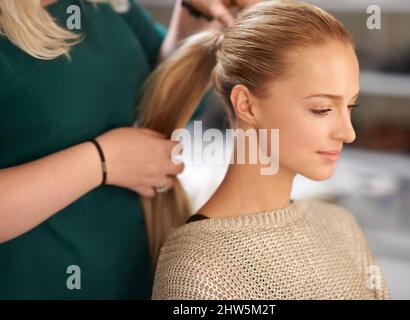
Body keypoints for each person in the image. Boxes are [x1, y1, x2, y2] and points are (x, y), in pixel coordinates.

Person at [0, 0, 259, 299]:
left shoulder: (107, 6)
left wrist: (194, 15)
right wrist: (101, 162)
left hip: (131, 275)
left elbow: (158, 97)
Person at [137, 0, 391, 299]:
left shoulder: (342, 226)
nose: (348, 133)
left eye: (350, 106)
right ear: (246, 105)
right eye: (322, 109)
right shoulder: (200, 268)